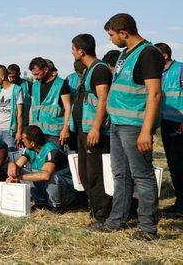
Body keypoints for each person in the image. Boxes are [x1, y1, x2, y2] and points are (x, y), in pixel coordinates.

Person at [96, 14, 164, 240]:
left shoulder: (148, 54)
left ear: (124, 33)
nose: (111, 39)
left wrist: (146, 130)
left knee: (142, 176)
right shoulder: (126, 54)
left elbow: (154, 94)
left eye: (112, 35)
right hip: (118, 124)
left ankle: (147, 229)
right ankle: (116, 221)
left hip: (135, 126)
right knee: (120, 175)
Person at [71, 33, 113, 226]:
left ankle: (102, 215)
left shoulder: (100, 69)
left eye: (73, 49)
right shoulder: (88, 70)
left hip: (93, 131)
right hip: (82, 129)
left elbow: (103, 100)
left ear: (81, 51)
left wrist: (96, 128)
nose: (72, 53)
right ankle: (95, 208)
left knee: (96, 173)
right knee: (85, 173)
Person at [7, 125, 76, 212]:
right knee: (21, 171)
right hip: (48, 186)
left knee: (51, 176)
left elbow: (46, 175)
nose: (22, 142)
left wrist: (19, 177)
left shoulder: (52, 150)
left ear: (32, 143)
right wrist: (12, 165)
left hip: (65, 187)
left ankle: (57, 206)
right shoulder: (29, 149)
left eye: (24, 140)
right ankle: (41, 202)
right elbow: (17, 165)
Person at [154, 42, 183, 216]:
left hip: (179, 123)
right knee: (173, 163)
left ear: (164, 56)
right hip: (165, 122)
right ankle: (180, 202)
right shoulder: (157, 74)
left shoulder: (179, 69)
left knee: (180, 162)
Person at [28, 57, 72, 147]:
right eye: (33, 75)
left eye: (37, 74)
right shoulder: (35, 85)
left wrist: (65, 129)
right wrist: (30, 128)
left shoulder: (61, 84)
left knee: (53, 159)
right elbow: (32, 107)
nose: (35, 77)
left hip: (55, 134)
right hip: (37, 133)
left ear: (46, 69)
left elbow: (68, 108)